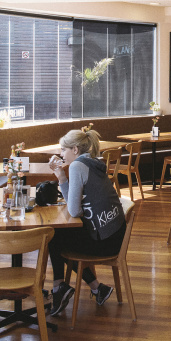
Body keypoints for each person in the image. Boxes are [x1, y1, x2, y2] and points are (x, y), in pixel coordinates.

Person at [47, 128, 126, 317]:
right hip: (116, 235)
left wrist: (62, 178)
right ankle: (97, 288)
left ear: (75, 149)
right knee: (60, 236)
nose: (61, 154)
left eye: (63, 149)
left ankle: (59, 288)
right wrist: (62, 177)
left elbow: (74, 211)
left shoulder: (77, 166)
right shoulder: (92, 162)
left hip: (105, 241)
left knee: (53, 236)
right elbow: (75, 206)